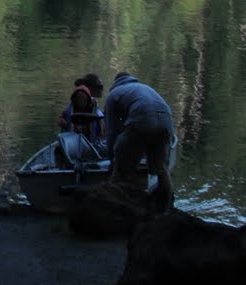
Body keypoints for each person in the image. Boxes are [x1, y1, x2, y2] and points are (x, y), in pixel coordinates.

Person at [104, 71, 175, 211]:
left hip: (143, 120)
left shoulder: (114, 94)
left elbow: (111, 131)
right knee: (161, 169)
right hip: (166, 122)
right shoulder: (144, 88)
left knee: (123, 166)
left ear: (114, 83)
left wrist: (112, 159)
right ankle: (166, 208)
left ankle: (123, 207)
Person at [55, 73, 105, 145]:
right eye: (100, 87)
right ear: (90, 87)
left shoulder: (94, 105)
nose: (102, 89)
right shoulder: (79, 100)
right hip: (80, 146)